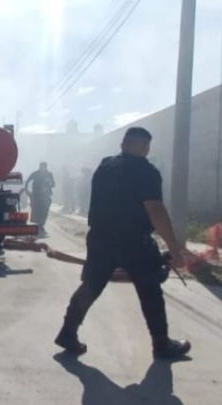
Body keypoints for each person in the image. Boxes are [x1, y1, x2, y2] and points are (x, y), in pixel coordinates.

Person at [54, 127, 192, 360]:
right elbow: (156, 210)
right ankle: (162, 345)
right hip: (133, 242)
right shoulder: (147, 171)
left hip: (100, 238)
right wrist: (174, 248)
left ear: (122, 145)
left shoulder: (104, 166)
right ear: (145, 147)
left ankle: (68, 333)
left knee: (90, 287)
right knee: (150, 292)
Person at [26, 162, 56, 233]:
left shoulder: (49, 174)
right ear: (39, 167)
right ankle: (36, 224)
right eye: (42, 167)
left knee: (45, 210)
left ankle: (41, 224)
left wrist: (47, 187)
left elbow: (53, 184)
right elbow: (27, 181)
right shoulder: (35, 174)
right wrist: (27, 191)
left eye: (44, 167)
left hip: (45, 196)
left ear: (46, 167)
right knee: (36, 209)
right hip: (36, 195)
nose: (43, 168)